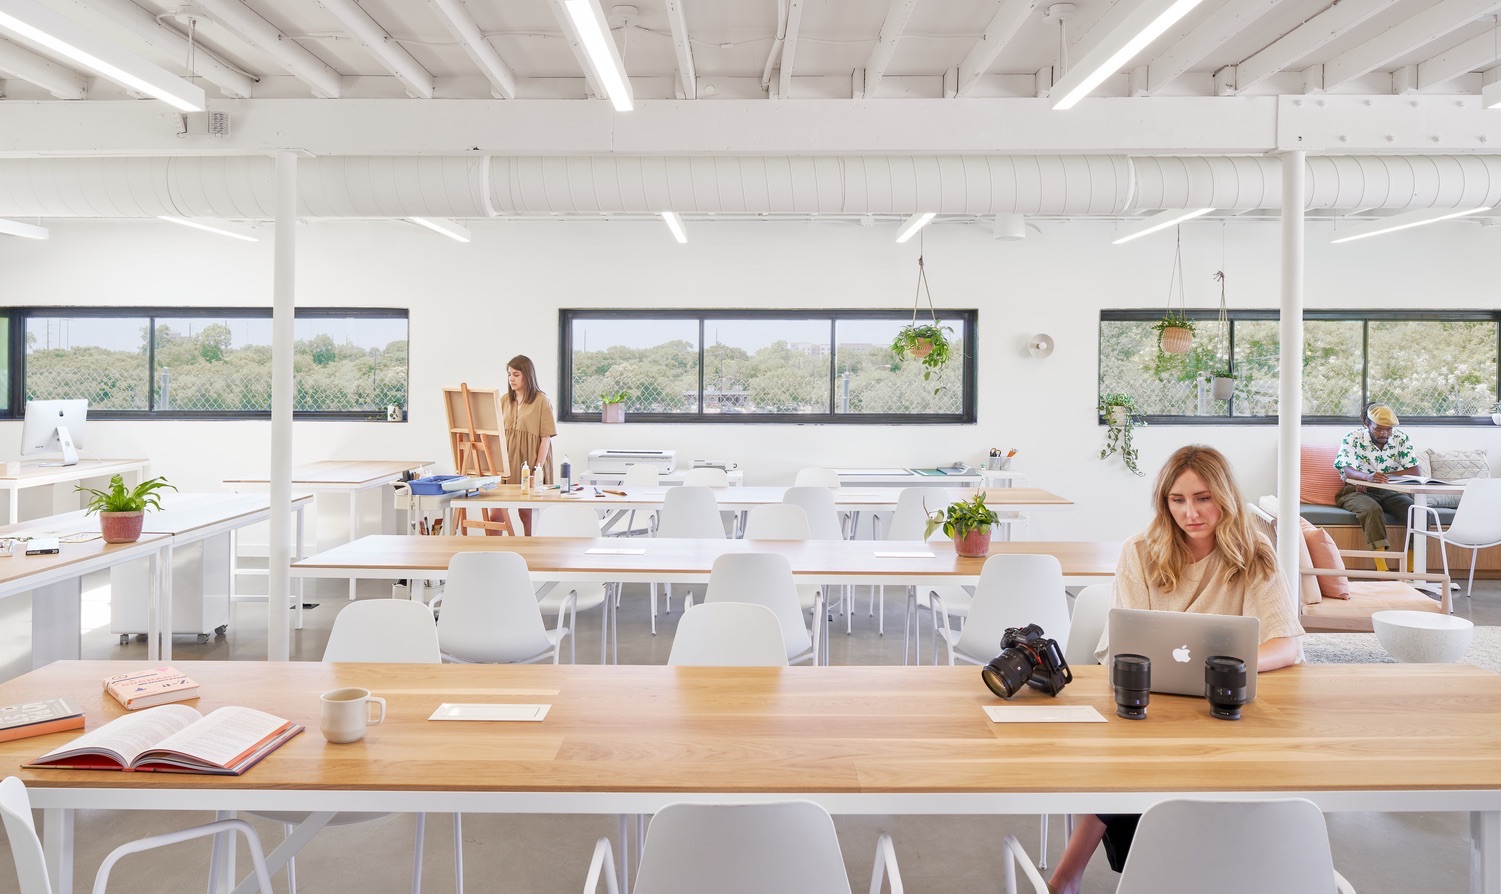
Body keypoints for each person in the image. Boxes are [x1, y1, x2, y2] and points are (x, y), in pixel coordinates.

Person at [1048, 444, 1303, 894]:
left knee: (1152, 767)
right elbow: (1125, 646)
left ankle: (1091, 875)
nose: (1191, 513)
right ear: (1164, 503)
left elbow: (1286, 645)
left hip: (1226, 703)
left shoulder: (1254, 551)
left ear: (1224, 495)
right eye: (1178, 500)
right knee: (1128, 759)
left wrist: (1230, 671)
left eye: (1203, 498)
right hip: (1153, 698)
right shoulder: (1141, 551)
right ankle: (1075, 875)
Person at [1333, 403, 1419, 571]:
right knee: (1372, 510)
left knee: (1417, 512)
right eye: (1379, 429)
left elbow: (1415, 471)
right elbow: (1347, 469)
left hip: (1389, 489)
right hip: (1356, 490)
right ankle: (1382, 569)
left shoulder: (1400, 438)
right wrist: (1367, 478)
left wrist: (1384, 478)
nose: (1384, 434)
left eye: (1388, 430)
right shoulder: (1353, 438)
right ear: (1367, 423)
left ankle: (1411, 570)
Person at [485, 355, 557, 537]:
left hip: (530, 463)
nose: (511, 379)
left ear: (528, 375)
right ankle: (495, 556)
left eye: (516, 374)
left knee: (526, 512)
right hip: (506, 463)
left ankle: (529, 553)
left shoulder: (541, 401)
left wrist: (536, 470)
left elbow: (545, 438)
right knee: (495, 514)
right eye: (509, 374)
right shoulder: (503, 400)